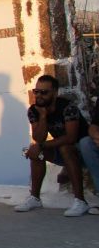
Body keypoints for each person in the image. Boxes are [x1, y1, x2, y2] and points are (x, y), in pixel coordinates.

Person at [13, 75, 91, 217]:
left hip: (83, 152)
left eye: (44, 92)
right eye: (36, 91)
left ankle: (81, 201)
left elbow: (71, 137)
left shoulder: (68, 108)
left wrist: (41, 145)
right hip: (64, 153)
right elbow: (39, 137)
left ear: (55, 93)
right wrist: (43, 117)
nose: (39, 95)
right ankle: (35, 198)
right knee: (36, 152)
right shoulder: (34, 111)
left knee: (63, 147)